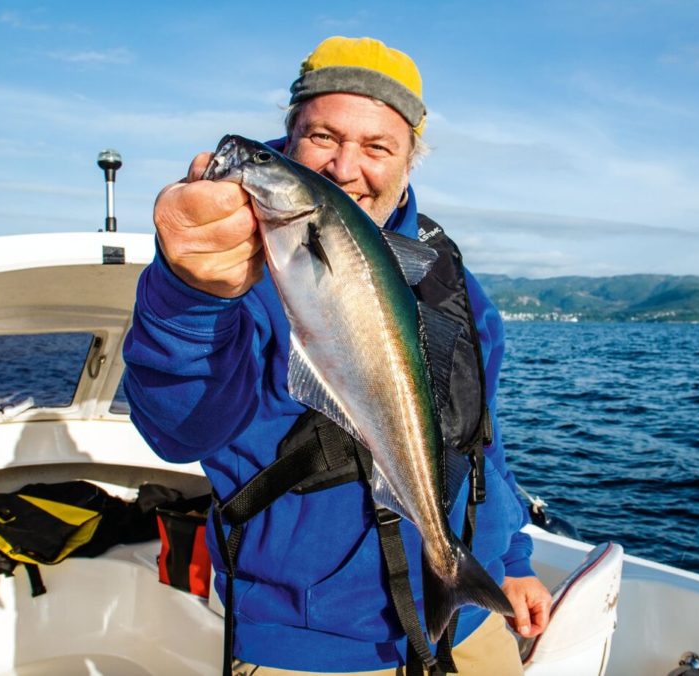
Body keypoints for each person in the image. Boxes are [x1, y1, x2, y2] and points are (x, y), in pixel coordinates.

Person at [123, 36, 552, 675]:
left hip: (472, 625)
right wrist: (190, 297)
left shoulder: (449, 279)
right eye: (323, 136)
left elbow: (478, 438)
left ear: (411, 159)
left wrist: (511, 561)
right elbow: (181, 430)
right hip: (311, 651)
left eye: (378, 146)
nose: (346, 167)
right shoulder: (230, 266)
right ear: (288, 139)